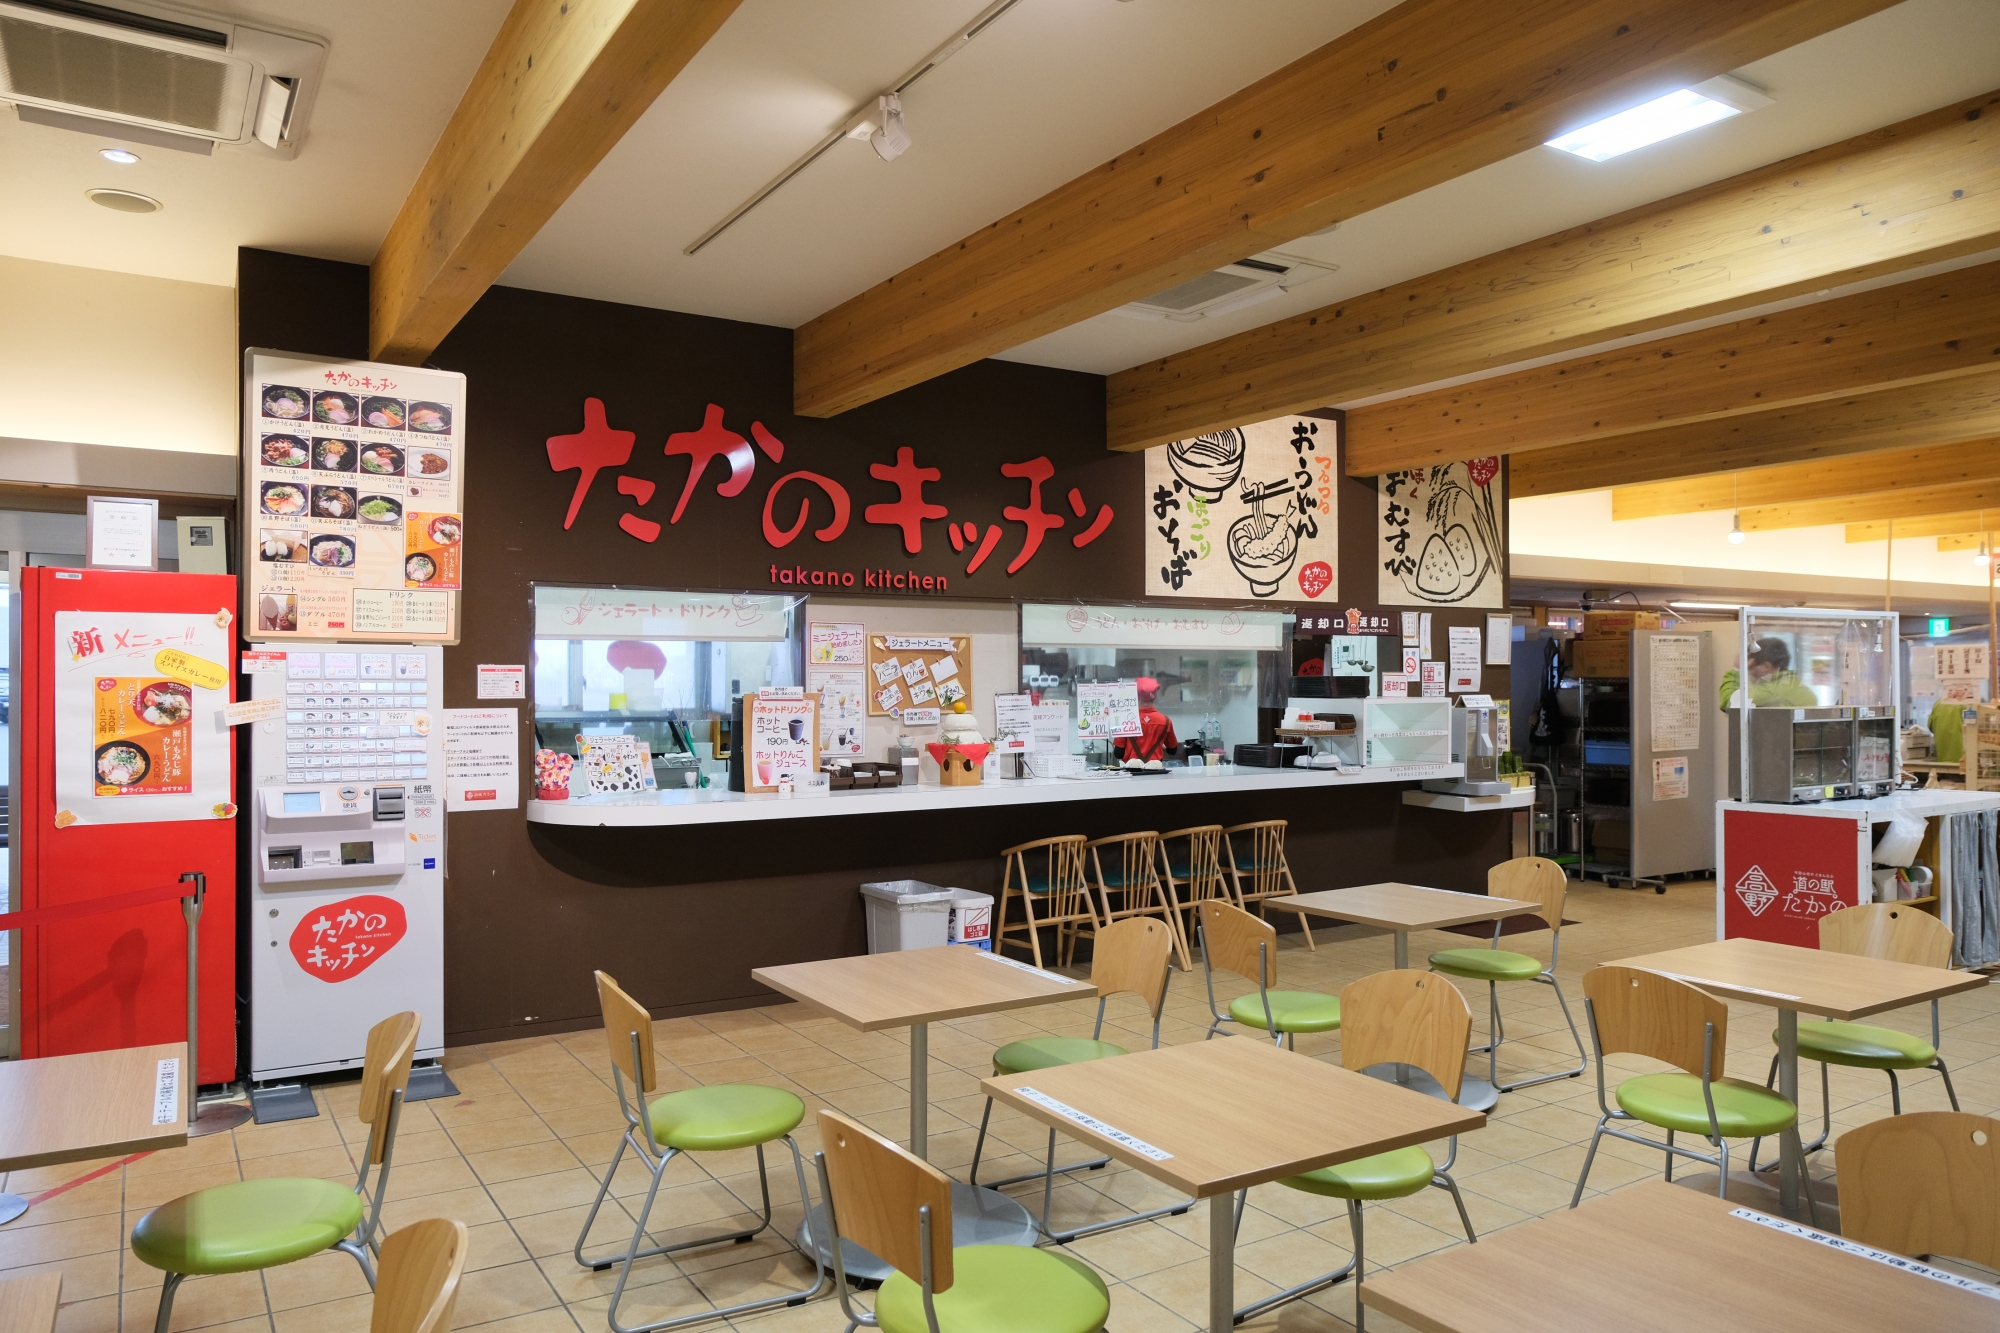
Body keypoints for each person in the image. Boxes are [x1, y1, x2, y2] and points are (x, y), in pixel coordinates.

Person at [1717, 637, 1819, 710]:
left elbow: (1729, 703)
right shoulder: (1798, 687)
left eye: (1751, 668)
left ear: (1766, 666)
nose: (1750, 673)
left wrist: (1737, 670)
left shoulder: (1774, 690)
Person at [1113, 676, 1179, 762]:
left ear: (1136, 696)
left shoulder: (1125, 720)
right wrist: (1159, 744)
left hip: (1132, 769)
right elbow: (1172, 751)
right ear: (1154, 697)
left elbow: (1118, 753)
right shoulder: (1166, 721)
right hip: (1156, 769)